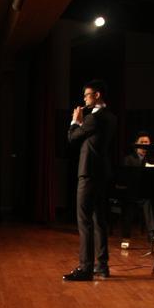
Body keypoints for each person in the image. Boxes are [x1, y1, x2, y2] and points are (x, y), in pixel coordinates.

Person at [64, 79, 117, 281]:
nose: (84, 99)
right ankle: (102, 266)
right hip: (102, 173)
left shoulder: (93, 118)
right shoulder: (111, 117)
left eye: (87, 95)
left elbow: (72, 138)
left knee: (84, 220)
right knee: (99, 220)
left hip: (88, 173)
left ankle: (85, 268)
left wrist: (75, 121)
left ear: (97, 95)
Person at [121, 132, 154, 241]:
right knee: (148, 200)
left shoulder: (152, 159)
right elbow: (126, 179)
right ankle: (152, 232)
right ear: (136, 144)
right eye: (142, 142)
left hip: (147, 192)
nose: (145, 145)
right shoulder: (129, 159)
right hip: (133, 193)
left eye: (147, 142)